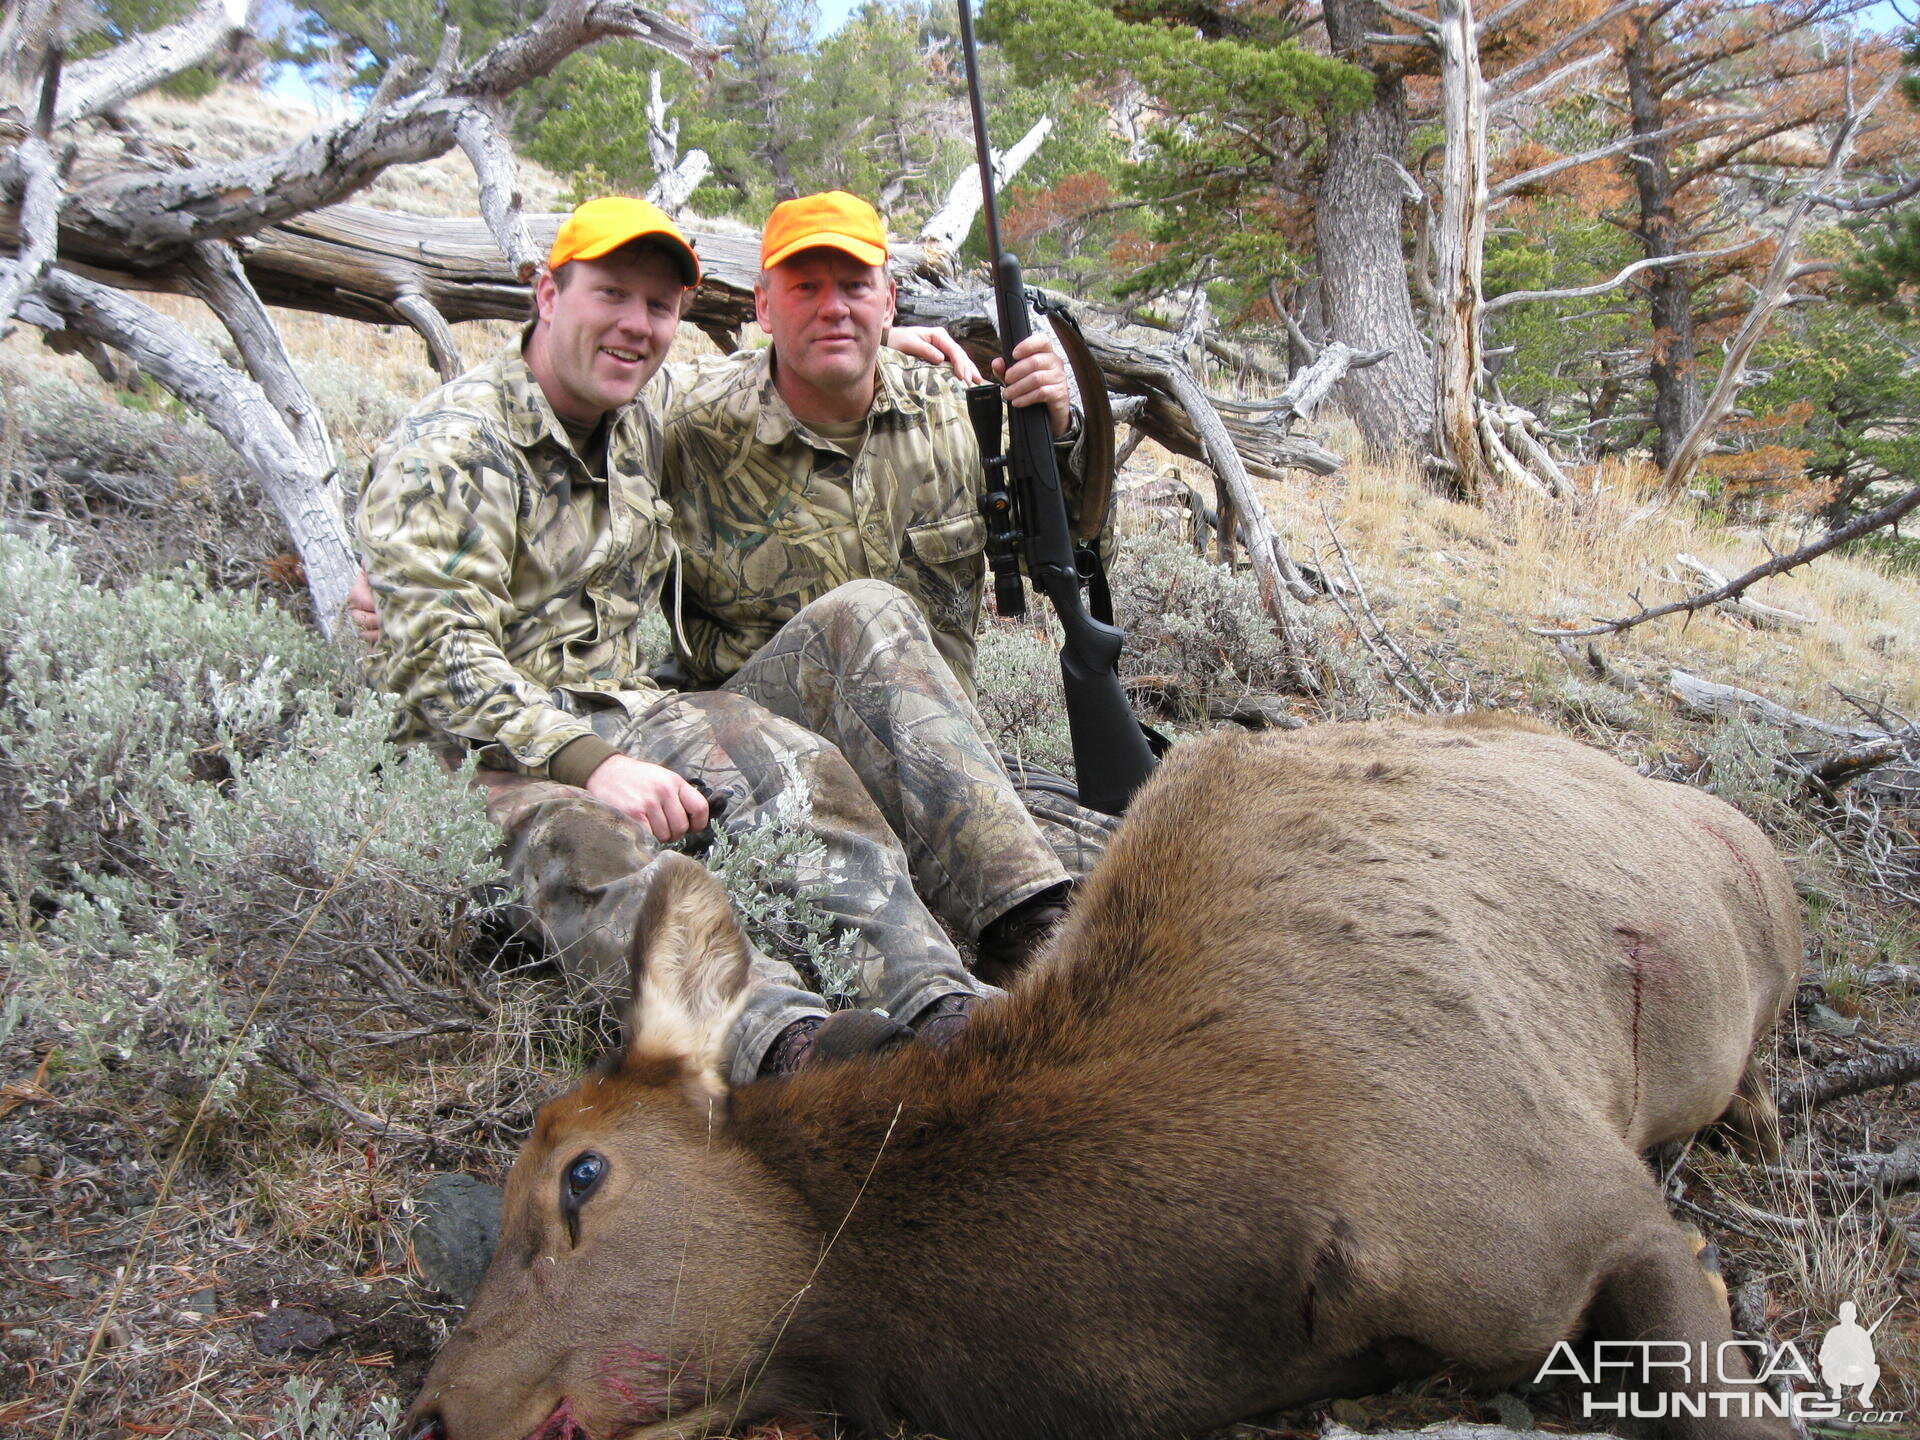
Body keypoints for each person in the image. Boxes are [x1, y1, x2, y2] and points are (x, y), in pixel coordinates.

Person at [343, 197, 1077, 1084]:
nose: (635, 326)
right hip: (480, 760)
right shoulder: (455, 446)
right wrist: (589, 764)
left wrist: (881, 357)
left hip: (628, 714)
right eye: (610, 294)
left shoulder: (640, 416)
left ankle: (944, 1000)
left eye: (658, 307)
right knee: (590, 848)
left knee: (790, 764)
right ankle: (795, 1052)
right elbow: (436, 658)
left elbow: (784, 380)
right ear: (547, 294)